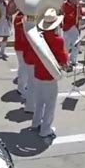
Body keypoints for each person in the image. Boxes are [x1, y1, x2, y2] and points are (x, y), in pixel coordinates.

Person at [33, 9, 68, 137]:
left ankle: (36, 123)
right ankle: (45, 129)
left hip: (38, 72)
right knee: (50, 104)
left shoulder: (37, 37)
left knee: (39, 101)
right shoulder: (58, 40)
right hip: (50, 74)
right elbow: (64, 59)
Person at [62, 0, 81, 67]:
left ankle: (74, 59)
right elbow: (66, 16)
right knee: (66, 45)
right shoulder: (65, 5)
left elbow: (80, 15)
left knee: (76, 44)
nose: (75, 0)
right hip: (67, 28)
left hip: (75, 27)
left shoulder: (77, 6)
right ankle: (65, 60)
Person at [13, 11, 28, 97]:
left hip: (24, 46)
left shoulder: (23, 17)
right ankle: (21, 88)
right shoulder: (20, 18)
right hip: (22, 46)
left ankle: (23, 86)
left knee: (23, 67)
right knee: (24, 68)